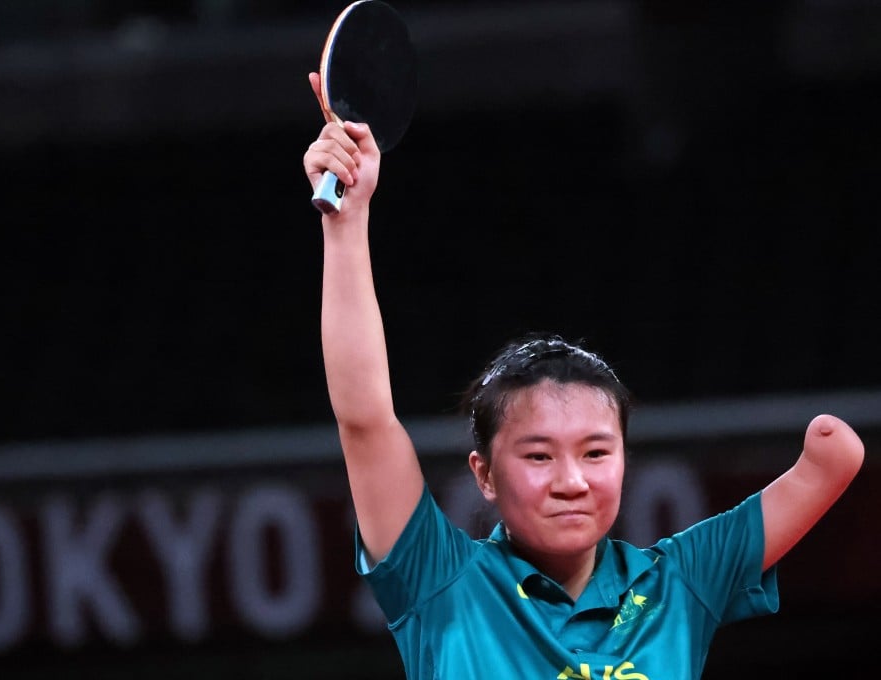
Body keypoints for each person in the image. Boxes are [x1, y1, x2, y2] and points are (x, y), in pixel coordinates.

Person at [301, 72, 865, 680]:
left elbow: (834, 460)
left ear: (625, 458)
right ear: (483, 474)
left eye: (596, 452)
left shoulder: (679, 583)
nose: (572, 481)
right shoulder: (442, 581)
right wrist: (346, 220)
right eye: (539, 457)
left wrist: (830, 452)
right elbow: (365, 420)